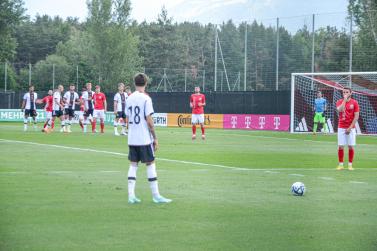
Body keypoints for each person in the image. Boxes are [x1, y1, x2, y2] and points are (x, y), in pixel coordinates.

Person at [126, 73, 172, 204]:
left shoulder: (129, 98)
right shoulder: (146, 99)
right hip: (144, 138)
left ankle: (131, 196)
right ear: (146, 83)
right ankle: (156, 196)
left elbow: (128, 118)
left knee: (133, 164)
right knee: (150, 163)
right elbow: (150, 121)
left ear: (135, 83)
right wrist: (155, 138)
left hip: (132, 138)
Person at [336, 87, 359, 171]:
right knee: (341, 146)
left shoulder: (355, 102)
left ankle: (350, 165)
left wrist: (350, 127)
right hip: (341, 127)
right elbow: (340, 110)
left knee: (350, 146)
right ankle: (341, 165)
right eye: (343, 92)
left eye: (346, 92)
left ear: (350, 93)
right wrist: (344, 100)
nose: (345, 93)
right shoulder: (339, 101)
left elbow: (356, 116)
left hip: (351, 128)